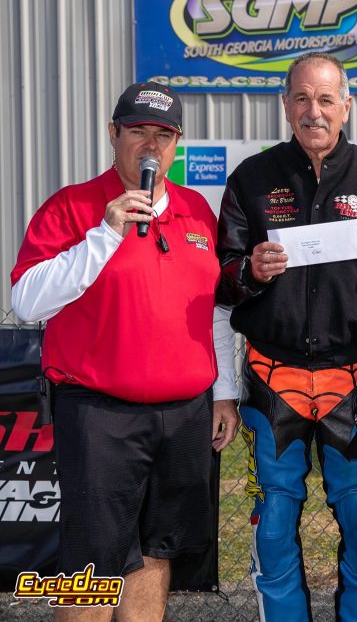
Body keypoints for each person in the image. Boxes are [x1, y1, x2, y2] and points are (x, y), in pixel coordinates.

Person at [10, 81, 240, 621]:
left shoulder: (196, 211)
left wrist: (224, 392)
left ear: (176, 143)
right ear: (114, 134)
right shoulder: (72, 206)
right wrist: (106, 233)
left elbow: (214, 311)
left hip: (184, 412)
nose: (150, 145)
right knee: (91, 562)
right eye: (137, 131)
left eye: (163, 134)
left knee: (157, 550)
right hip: (98, 410)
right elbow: (26, 300)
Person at [216, 52, 357, 622]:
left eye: (326, 99)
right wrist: (249, 271)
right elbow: (220, 280)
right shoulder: (251, 180)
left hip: (354, 380)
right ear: (285, 106)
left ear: (346, 106)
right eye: (302, 98)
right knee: (274, 517)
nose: (313, 111)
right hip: (270, 376)